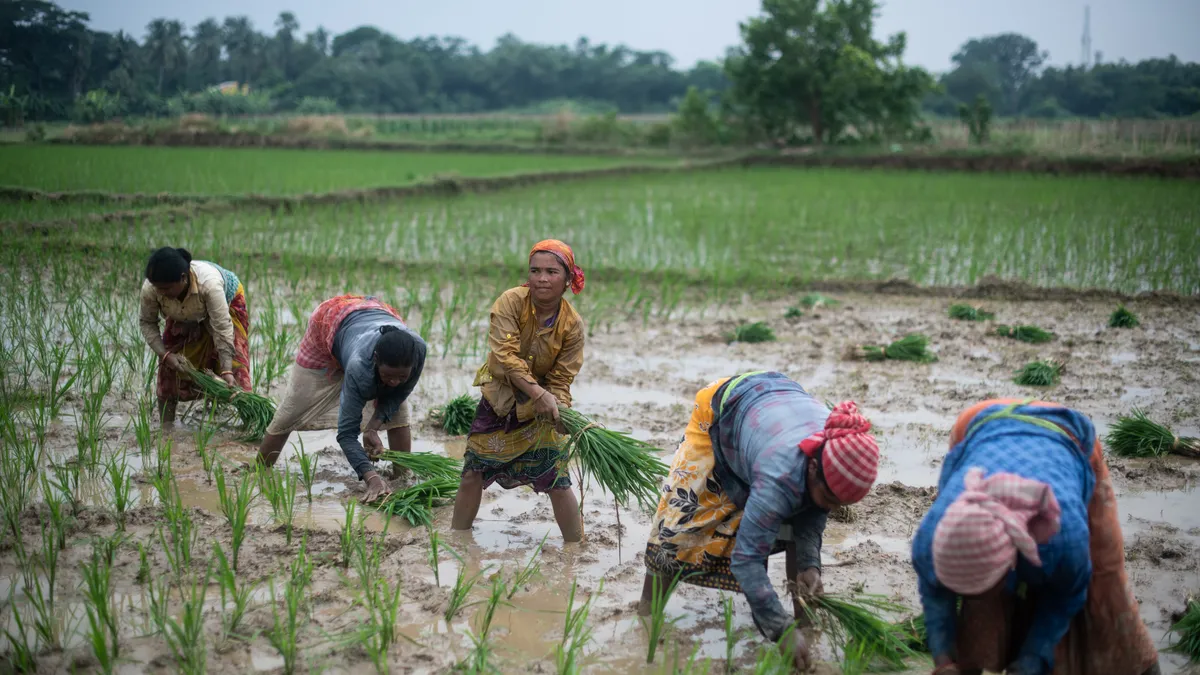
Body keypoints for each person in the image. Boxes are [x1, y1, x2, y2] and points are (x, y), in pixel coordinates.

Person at [637, 371, 881, 672]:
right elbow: (746, 560)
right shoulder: (781, 474)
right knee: (678, 525)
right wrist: (781, 629)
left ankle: (806, 624)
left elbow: (812, 515)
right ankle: (645, 618)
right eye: (830, 500)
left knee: (800, 513)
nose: (831, 509)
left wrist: (810, 565)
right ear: (814, 467)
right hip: (723, 411)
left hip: (774, 406)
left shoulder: (833, 449)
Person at [911, 399, 1160, 675]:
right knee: (982, 615)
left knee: (1104, 583)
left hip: (1067, 434)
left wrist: (1033, 657)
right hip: (976, 423)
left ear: (1010, 565)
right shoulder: (931, 541)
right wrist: (944, 659)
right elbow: (935, 595)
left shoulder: (1063, 539)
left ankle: (1145, 669)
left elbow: (1066, 595)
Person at [451, 239, 586, 542]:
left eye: (552, 272)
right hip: (499, 400)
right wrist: (540, 393)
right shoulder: (511, 302)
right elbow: (506, 357)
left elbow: (562, 378)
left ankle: (575, 546)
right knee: (473, 471)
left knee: (557, 479)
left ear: (567, 279)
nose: (541, 278)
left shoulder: (572, 325)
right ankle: (457, 539)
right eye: (535, 270)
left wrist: (560, 408)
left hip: (539, 410)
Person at [256, 294, 426, 503]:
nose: (394, 382)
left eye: (402, 376)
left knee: (399, 413)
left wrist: (373, 426)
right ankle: (259, 472)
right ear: (375, 361)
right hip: (330, 323)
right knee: (293, 408)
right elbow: (346, 434)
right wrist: (371, 477)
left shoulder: (417, 349)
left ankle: (403, 476)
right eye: (388, 376)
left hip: (374, 316)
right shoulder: (359, 366)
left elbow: (399, 393)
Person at [139, 247, 252, 428]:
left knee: (236, 365)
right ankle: (166, 428)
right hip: (183, 313)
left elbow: (222, 328)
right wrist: (165, 355)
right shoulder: (152, 288)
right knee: (170, 367)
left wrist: (226, 370)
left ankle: (251, 424)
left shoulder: (209, 284)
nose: (160, 293)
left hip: (226, 302)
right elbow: (147, 322)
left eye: (166, 288)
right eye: (157, 288)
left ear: (183, 278)